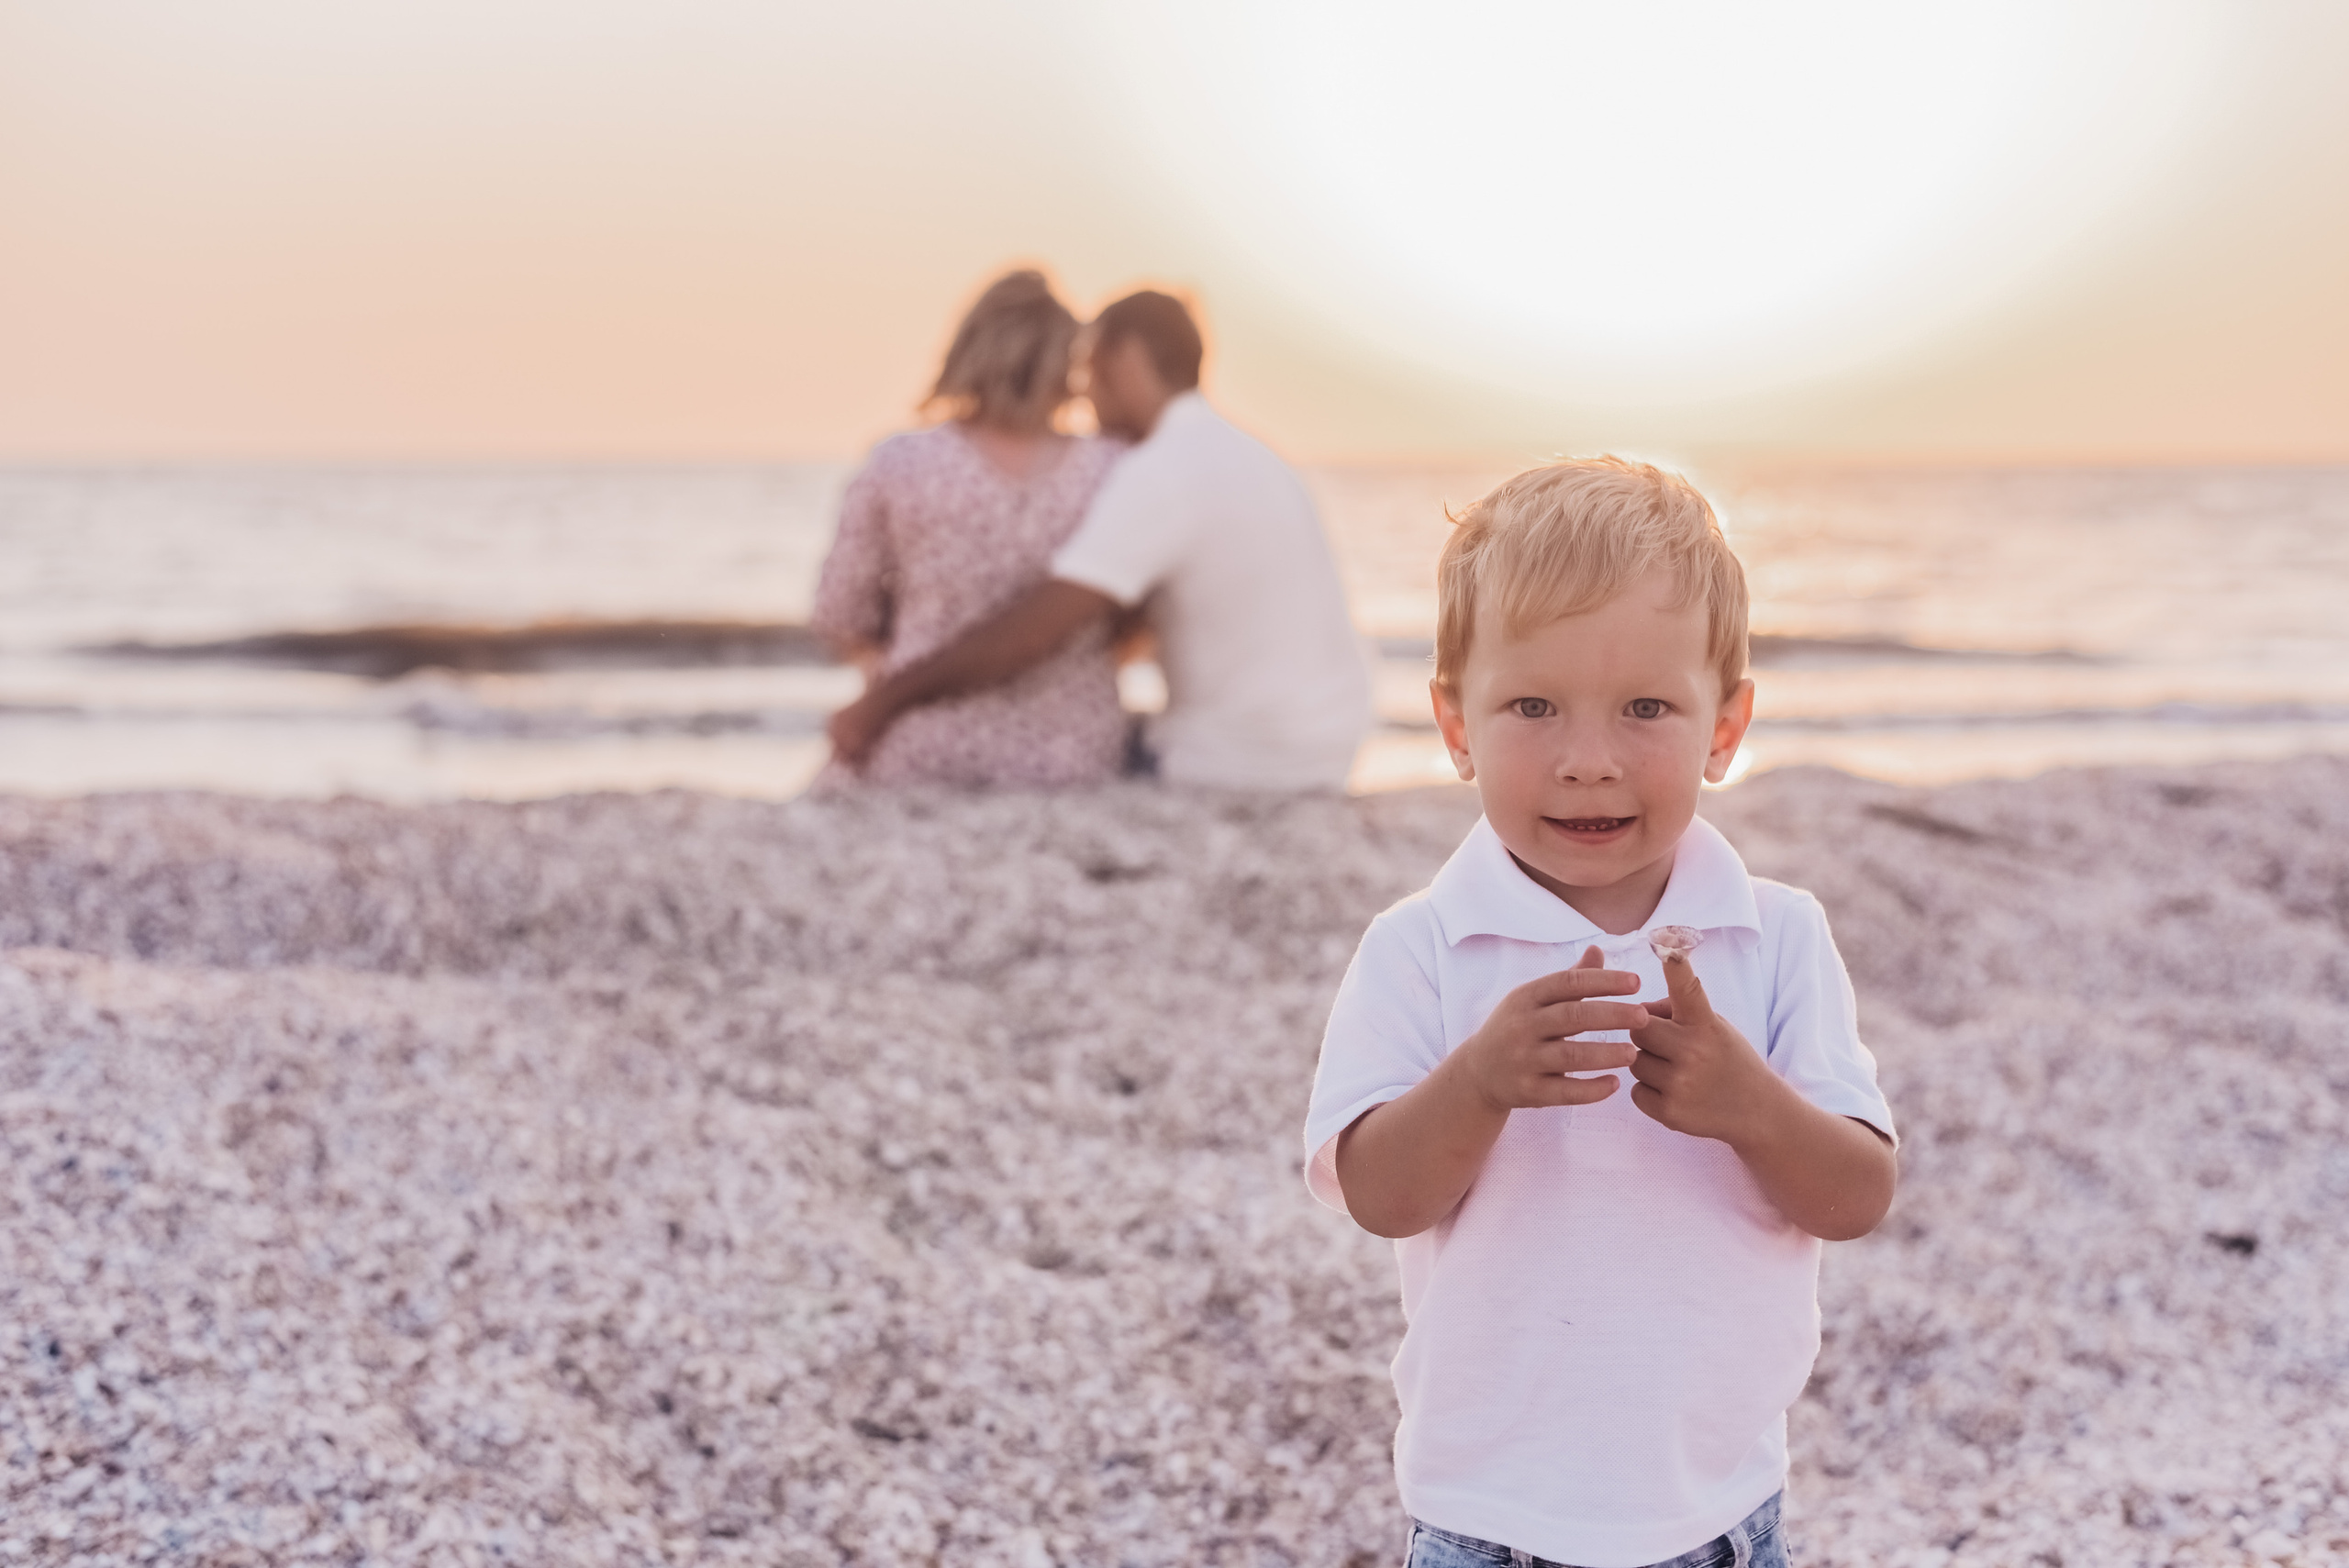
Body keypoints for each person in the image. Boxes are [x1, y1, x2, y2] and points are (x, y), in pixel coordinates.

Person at [1302, 458, 1899, 1568]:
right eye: (1531, 705)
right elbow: (1379, 1198)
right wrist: (1476, 1083)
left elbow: (1857, 1194)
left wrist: (1751, 1106)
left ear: (1725, 727)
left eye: (1645, 708)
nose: (1586, 760)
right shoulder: (1420, 947)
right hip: (1488, 1511)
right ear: (1454, 722)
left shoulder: (1775, 937)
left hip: (1713, 1505)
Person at [826, 290, 1372, 791]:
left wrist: (878, 705)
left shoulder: (1164, 469)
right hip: (1329, 745)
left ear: (1124, 361)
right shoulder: (1254, 456)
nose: (1082, 398)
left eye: (1088, 372)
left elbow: (1036, 629)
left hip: (1240, 762)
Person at [808, 271, 1129, 787]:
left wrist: (885, 667)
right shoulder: (1111, 468)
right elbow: (1136, 619)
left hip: (926, 740)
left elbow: (838, 612)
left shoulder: (902, 462)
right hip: (1075, 750)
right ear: (1065, 363)